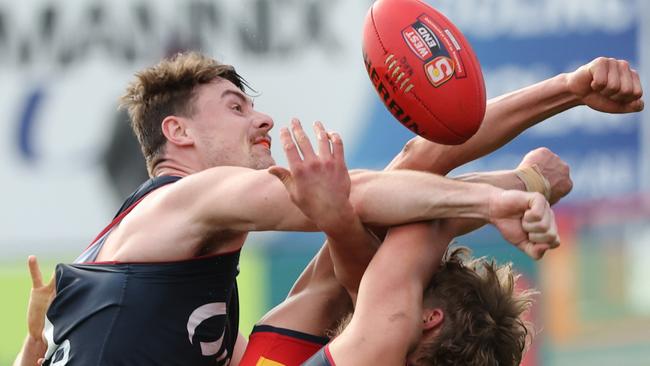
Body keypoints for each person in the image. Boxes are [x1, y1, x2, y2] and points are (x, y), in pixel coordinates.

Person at [16, 51, 559, 366]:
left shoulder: (175, 244)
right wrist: (510, 189)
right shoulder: (184, 203)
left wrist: (514, 187)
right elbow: (378, 198)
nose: (264, 121)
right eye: (236, 108)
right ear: (176, 133)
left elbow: (398, 202)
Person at [239, 56, 643, 365]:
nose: (386, 268)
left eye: (416, 277)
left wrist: (532, 178)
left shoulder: (379, 339)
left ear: (427, 319)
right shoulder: (337, 334)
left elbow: (423, 192)